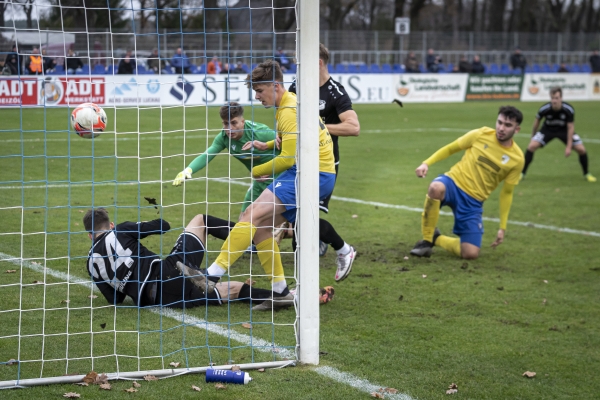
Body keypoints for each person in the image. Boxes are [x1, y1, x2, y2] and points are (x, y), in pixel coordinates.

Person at [180, 60, 336, 311]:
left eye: (260, 91)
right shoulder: (290, 102)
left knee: (250, 216)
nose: (256, 96)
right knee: (260, 229)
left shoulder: (287, 110)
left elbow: (287, 158)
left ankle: (211, 275)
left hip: (311, 173)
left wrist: (257, 170)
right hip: (313, 172)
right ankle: (280, 291)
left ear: (275, 86)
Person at [84, 208, 293, 308]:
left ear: (89, 235)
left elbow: (115, 299)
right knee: (201, 220)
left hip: (156, 301)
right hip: (169, 275)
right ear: (110, 225)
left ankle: (289, 297)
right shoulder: (119, 230)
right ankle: (256, 240)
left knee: (234, 289)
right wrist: (140, 226)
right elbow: (163, 226)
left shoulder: (90, 264)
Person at [410, 106, 525, 260]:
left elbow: (507, 192)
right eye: (500, 122)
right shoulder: (481, 134)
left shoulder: (517, 159)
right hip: (453, 183)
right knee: (435, 188)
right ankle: (426, 241)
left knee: (470, 253)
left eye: (508, 125)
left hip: (473, 202)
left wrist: (502, 227)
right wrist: (426, 163)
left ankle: (436, 239)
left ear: (517, 129)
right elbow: (451, 148)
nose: (501, 128)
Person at [288, 43, 359, 281]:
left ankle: (339, 251)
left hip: (324, 164)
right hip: (296, 159)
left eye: (302, 62)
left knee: (303, 219)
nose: (297, 67)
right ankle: (322, 250)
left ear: (318, 63)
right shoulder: (297, 86)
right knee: (297, 216)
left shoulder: (335, 92)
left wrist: (317, 128)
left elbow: (353, 127)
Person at [173, 102, 281, 218]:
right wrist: (188, 170)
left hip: (279, 180)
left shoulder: (261, 132)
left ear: (242, 121)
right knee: (243, 219)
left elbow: (289, 144)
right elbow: (208, 154)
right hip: (259, 182)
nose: (229, 129)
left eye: (234, 123)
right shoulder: (223, 138)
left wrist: (271, 166)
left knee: (267, 223)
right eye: (225, 123)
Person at [521, 87, 596, 182]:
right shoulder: (545, 108)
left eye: (556, 98)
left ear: (561, 98)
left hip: (564, 131)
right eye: (552, 98)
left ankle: (587, 174)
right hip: (547, 130)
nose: (554, 101)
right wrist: (533, 137)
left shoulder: (568, 109)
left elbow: (570, 128)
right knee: (531, 146)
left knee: (581, 149)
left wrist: (569, 147)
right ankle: (522, 173)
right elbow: (536, 123)